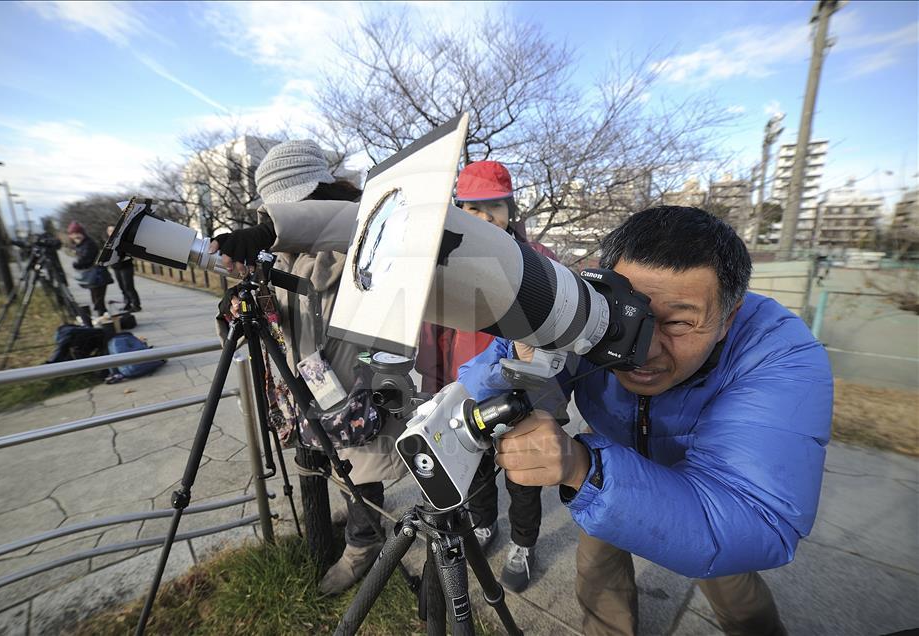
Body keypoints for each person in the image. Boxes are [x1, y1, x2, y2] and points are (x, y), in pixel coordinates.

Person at [457, 205, 833, 635]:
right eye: (627, 317)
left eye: (678, 323)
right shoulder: (586, 309)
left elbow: (757, 517)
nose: (645, 350)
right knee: (598, 579)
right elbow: (477, 386)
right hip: (611, 460)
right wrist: (524, 354)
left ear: (728, 318)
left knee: (737, 593)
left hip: (701, 481)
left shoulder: (779, 353)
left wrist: (585, 468)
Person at [211, 139, 407, 596]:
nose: (271, 223)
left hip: (357, 375)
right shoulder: (287, 247)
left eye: (282, 211)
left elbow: (338, 248)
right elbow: (287, 307)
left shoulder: (362, 223)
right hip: (312, 377)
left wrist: (272, 239)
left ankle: (362, 545)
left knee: (361, 462)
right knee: (339, 463)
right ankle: (362, 522)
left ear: (314, 196)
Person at [415, 160, 557, 593]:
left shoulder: (539, 261)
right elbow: (435, 330)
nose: (481, 218)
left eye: (491, 206)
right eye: (469, 209)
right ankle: (482, 524)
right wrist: (436, 386)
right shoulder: (447, 261)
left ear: (510, 208)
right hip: (467, 384)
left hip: (523, 384)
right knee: (473, 463)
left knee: (521, 469)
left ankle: (523, 542)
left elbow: (559, 326)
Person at [67, 220, 112, 324]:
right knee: (96, 299)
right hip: (93, 276)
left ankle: (104, 319)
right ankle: (103, 318)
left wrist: (76, 264)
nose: (76, 236)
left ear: (82, 233)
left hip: (98, 275)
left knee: (98, 299)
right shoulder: (80, 244)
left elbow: (86, 259)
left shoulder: (89, 243)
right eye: (73, 234)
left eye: (77, 233)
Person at [106, 225, 141, 312]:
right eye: (110, 231)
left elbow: (129, 253)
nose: (111, 232)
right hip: (116, 267)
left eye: (113, 230)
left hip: (126, 266)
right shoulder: (108, 242)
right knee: (122, 287)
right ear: (108, 232)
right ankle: (127, 303)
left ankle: (136, 305)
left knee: (128, 286)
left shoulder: (123, 240)